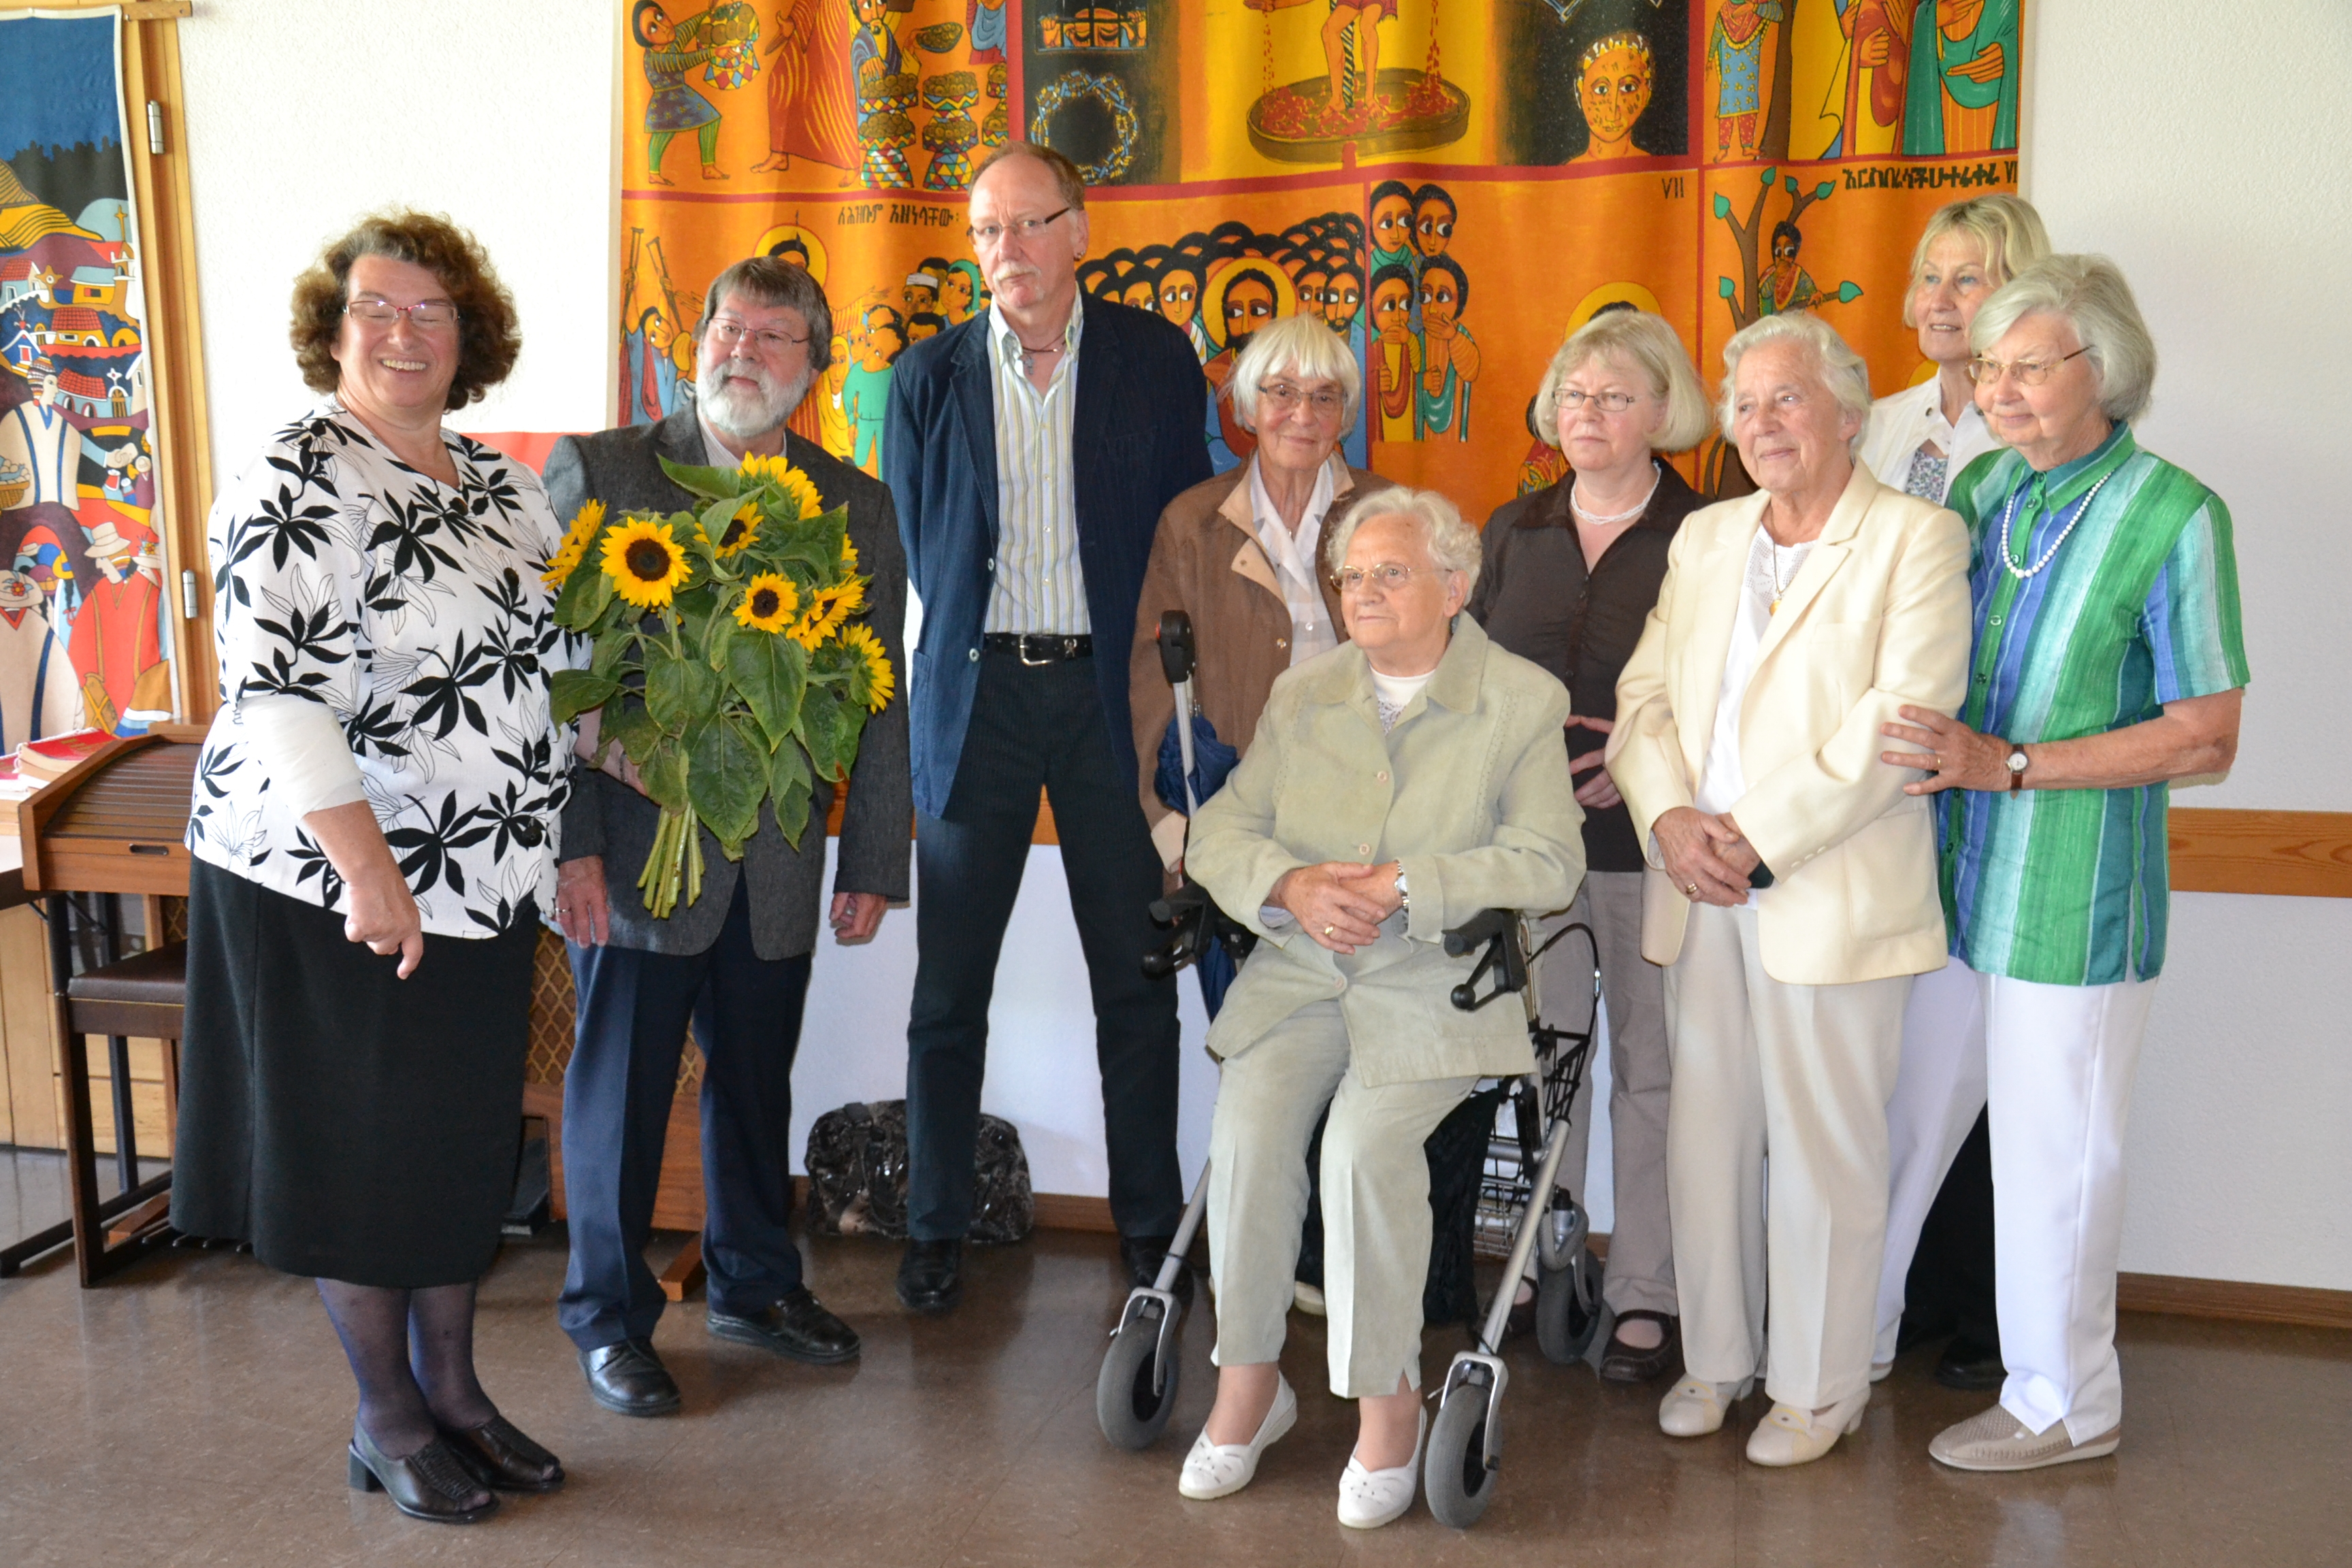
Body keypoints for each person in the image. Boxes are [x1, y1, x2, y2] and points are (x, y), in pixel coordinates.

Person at [173, 211, 572, 1522]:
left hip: (485, 878)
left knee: (451, 1154)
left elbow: (542, 682)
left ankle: (455, 1391)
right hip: (336, 875)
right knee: (359, 1156)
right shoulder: (297, 472)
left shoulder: (503, 486)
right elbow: (278, 691)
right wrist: (369, 867)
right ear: (333, 331)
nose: (406, 332)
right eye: (378, 309)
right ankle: (387, 1412)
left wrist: (588, 806)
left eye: (432, 311)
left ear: (471, 338)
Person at [1882, 255, 2248, 1472]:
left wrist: (2017, 764)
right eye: (1985, 366)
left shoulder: (2175, 513)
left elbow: (2206, 733)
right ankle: (1850, 1344)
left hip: (2073, 896)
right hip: (1946, 878)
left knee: (2053, 1161)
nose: (1998, 389)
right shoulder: (1985, 487)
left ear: (2105, 368)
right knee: (1898, 1123)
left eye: (2027, 366)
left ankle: (2063, 1400)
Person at [544, 256, 910, 1419]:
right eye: (725, 326)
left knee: (756, 1088)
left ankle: (753, 1282)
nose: (741, 349)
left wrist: (873, 856)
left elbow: (880, 693)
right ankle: (608, 1316)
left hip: (780, 860)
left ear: (813, 369)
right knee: (621, 1096)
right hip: (636, 855)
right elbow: (554, 674)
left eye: (773, 335)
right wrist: (576, 847)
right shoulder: (603, 470)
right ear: (691, 340)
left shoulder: (854, 504)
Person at [1179, 487, 1582, 1529]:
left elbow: (1549, 860)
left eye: (1388, 572)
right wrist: (1290, 885)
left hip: (1436, 982)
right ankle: (1249, 1387)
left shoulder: (1520, 700)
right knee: (1252, 1127)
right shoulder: (1307, 691)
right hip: (1307, 970)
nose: (1362, 591)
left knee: (1361, 1149)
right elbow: (1222, 832)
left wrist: (1410, 881)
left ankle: (1388, 1405)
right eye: (1351, 575)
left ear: (1455, 586)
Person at [1608, 310, 1970, 1466]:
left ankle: (1817, 1388)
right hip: (1698, 890)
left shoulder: (1917, 537)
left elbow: (1902, 724)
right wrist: (1671, 816)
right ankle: (1717, 1361)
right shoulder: (1706, 538)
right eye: (1747, 402)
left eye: (1788, 398)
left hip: (1827, 886)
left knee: (1826, 1150)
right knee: (1706, 1136)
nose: (1763, 422)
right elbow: (1643, 697)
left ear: (1850, 416)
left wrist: (1750, 837)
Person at [882, 142, 1212, 1313]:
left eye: (1030, 225)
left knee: (1134, 978)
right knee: (947, 990)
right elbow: (926, 553)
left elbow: (1183, 528)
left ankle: (1146, 1226)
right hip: (977, 706)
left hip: (1104, 702)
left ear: (1082, 231)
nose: (1006, 252)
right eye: (985, 230)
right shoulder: (924, 378)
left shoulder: (1154, 359)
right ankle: (932, 1227)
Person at [1469, 306, 1712, 1383]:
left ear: (1665, 411)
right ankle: (1541, 1255)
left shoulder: (1711, 535)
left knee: (1652, 1075)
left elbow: (1733, 693)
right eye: (1574, 394)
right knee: (1546, 1063)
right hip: (1534, 849)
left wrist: (1643, 757)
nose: (1591, 413)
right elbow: (1468, 677)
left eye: (1616, 395)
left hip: (1650, 849)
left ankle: (1646, 1289)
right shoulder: (1511, 530)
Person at [1858, 189, 2051, 1393]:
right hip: (1874, 778)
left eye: (1967, 278)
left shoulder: (2037, 436)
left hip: (1986, 775)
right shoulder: (1872, 425)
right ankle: (1897, 1293)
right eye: (1928, 276)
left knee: (1974, 1067)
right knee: (1887, 1059)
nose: (1938, 299)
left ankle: (1962, 1301)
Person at [1128, 312, 1392, 879]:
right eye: (1283, 392)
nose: (1303, 414)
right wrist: (1174, 833)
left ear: (1344, 419)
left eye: (1325, 397)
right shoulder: (1191, 524)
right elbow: (1155, 684)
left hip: (1375, 819)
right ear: (1248, 408)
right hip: (1239, 829)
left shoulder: (1390, 515)